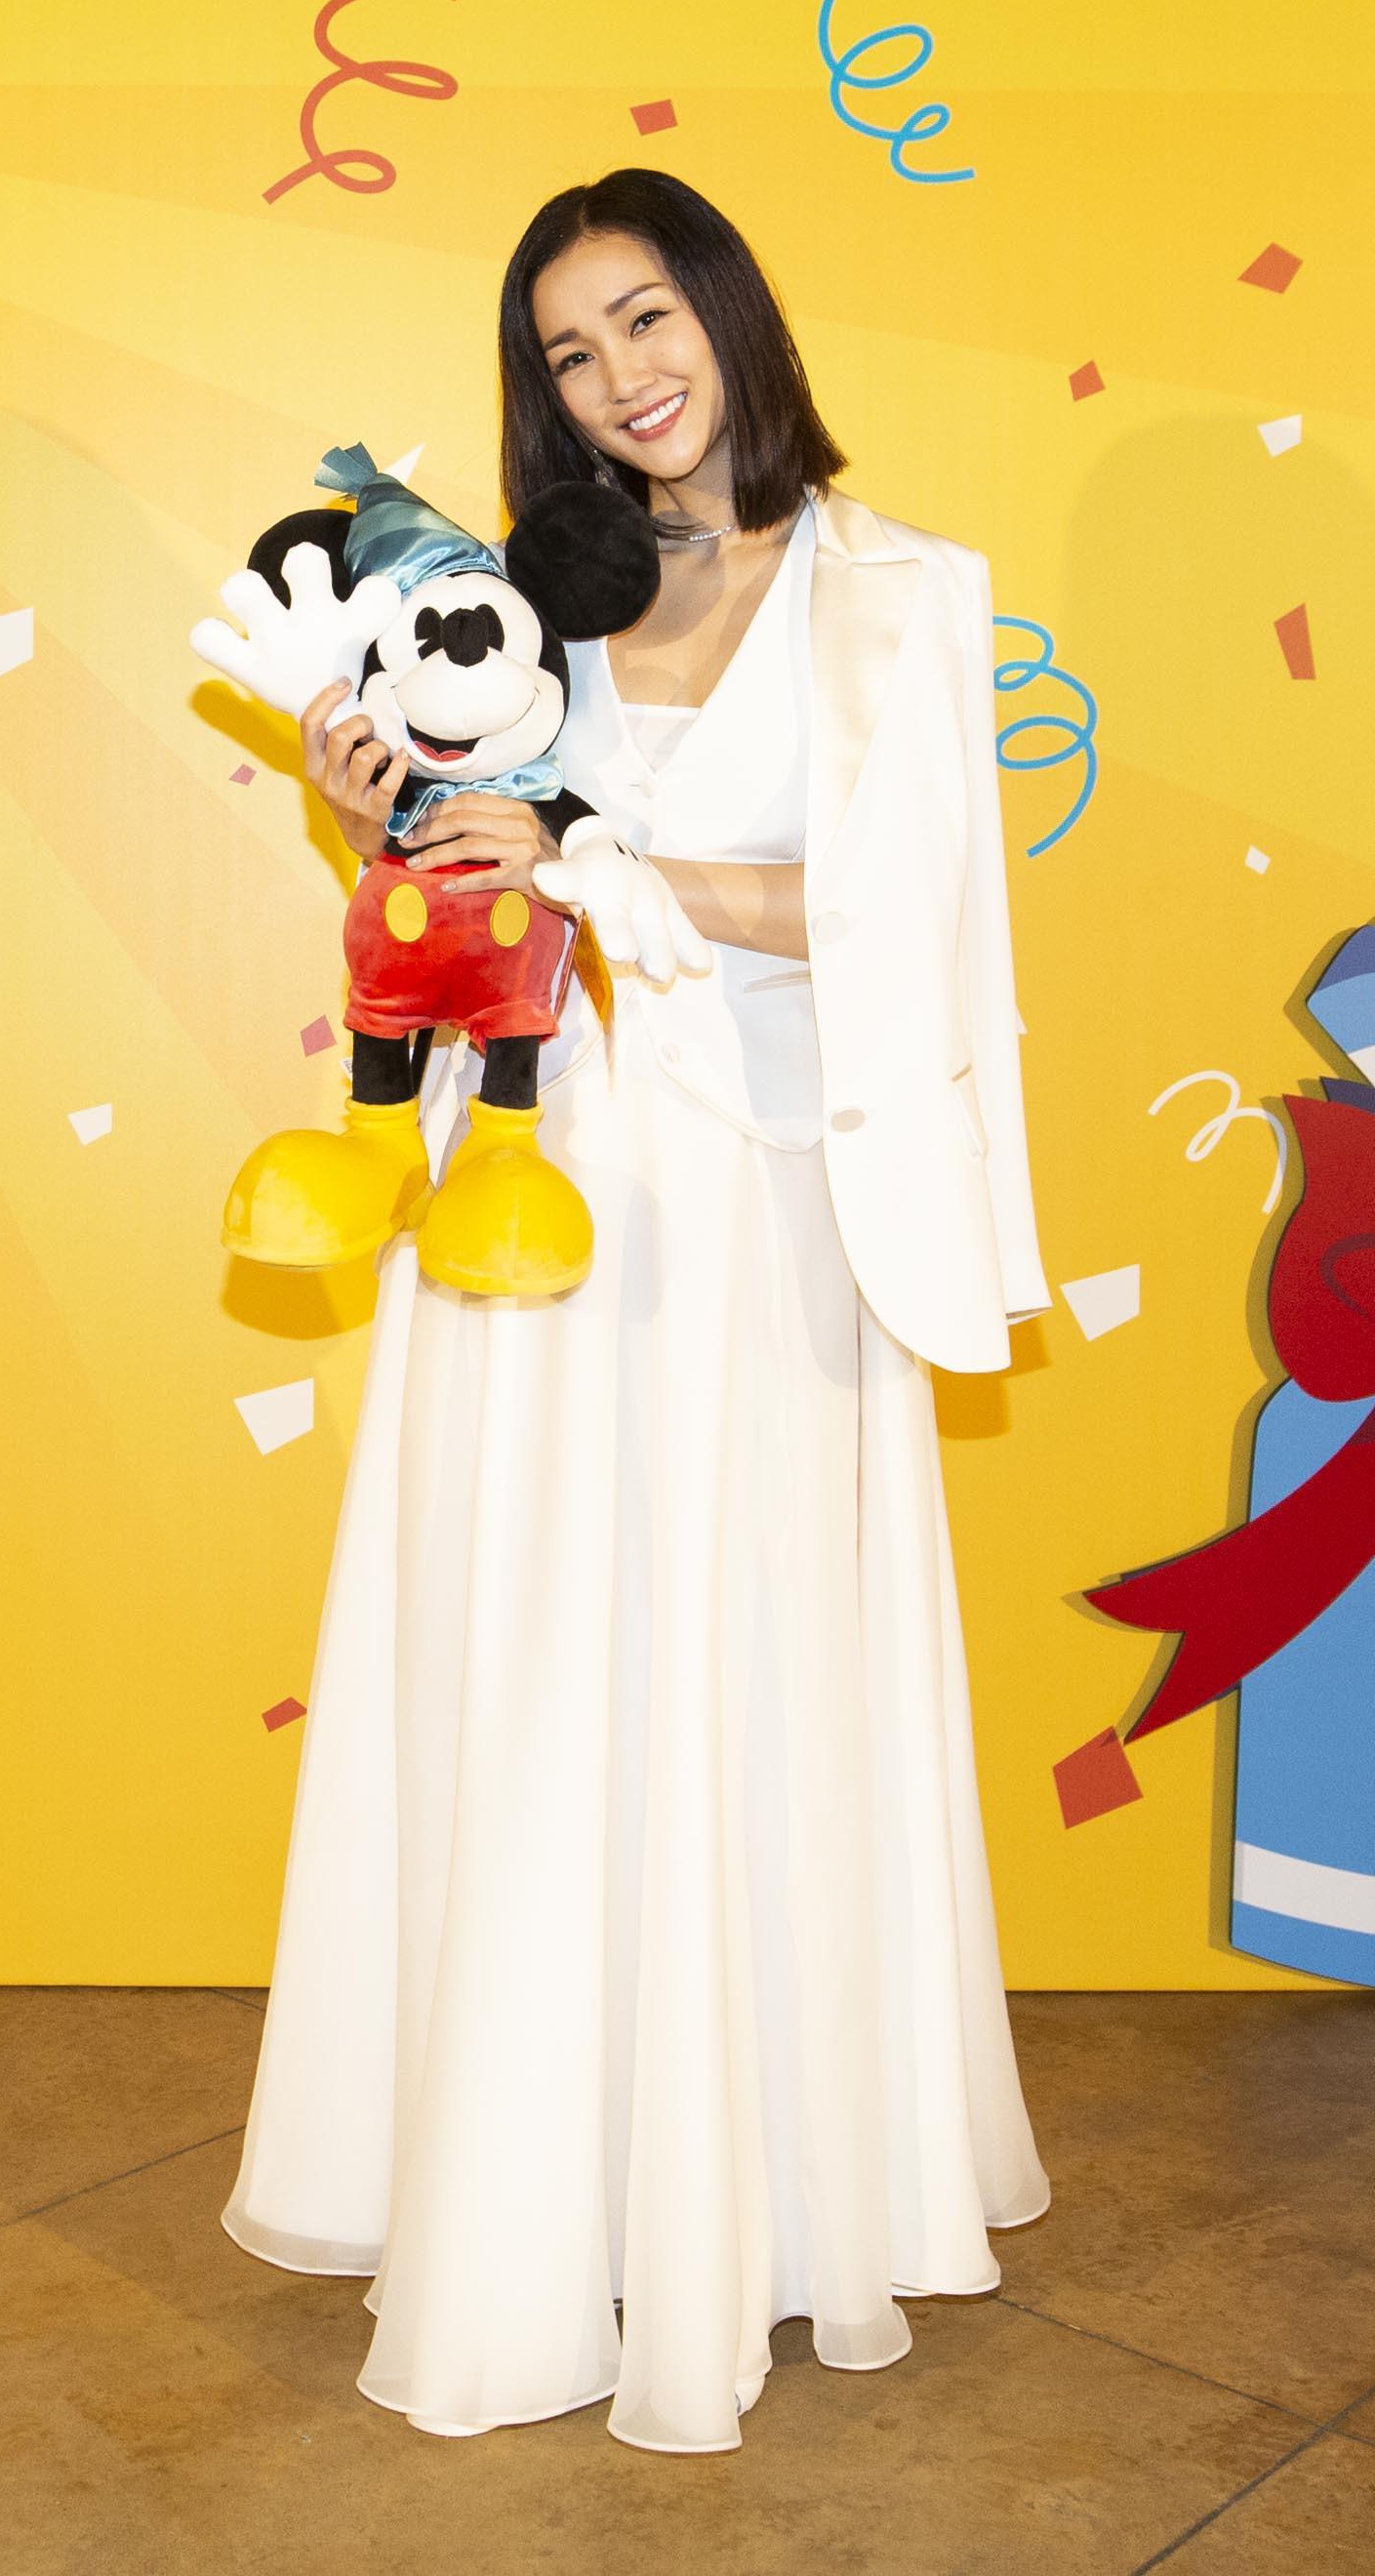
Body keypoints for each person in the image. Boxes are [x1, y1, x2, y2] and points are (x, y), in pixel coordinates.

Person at [216, 168, 1054, 2452]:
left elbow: (895, 912)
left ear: (730, 313)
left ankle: (761, 2214)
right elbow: (472, 897)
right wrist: (378, 813)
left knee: (759, 1680)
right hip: (548, 1199)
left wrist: (603, 862)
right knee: (534, 1675)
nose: (621, 378)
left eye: (648, 319)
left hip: (777, 1213)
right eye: (571, 354)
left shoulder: (907, 594)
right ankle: (534, 2196)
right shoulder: (524, 602)